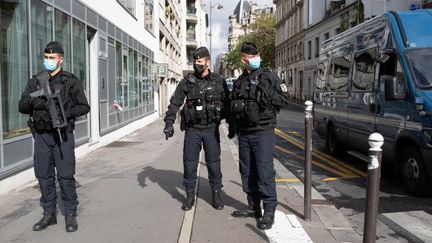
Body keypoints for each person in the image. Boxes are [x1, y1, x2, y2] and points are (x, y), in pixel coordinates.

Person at [18, 41, 90, 232]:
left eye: (52, 58)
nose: (48, 61)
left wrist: (66, 110)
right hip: (41, 135)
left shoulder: (70, 81)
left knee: (66, 176)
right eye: (46, 57)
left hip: (63, 135)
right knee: (43, 175)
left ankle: (70, 215)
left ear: (61, 60)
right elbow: (22, 105)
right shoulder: (35, 81)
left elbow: (85, 107)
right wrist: (36, 103)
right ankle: (49, 214)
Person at [228, 41, 289, 230]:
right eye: (250, 58)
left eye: (256, 56)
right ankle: (253, 206)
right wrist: (233, 129)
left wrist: (267, 93)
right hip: (244, 133)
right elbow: (233, 107)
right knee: (247, 171)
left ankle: (269, 210)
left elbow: (284, 100)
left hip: (263, 132)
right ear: (243, 60)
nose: (254, 60)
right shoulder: (239, 82)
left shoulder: (269, 76)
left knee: (264, 171)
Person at [163, 46, 229, 211]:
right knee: (190, 163)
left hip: (211, 129)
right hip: (193, 129)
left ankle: (216, 194)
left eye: (199, 61)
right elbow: (175, 102)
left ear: (207, 62)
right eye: (195, 61)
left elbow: (228, 104)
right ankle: (190, 195)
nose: (196, 64)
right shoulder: (187, 81)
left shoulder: (218, 81)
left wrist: (233, 127)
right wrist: (169, 123)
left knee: (213, 163)